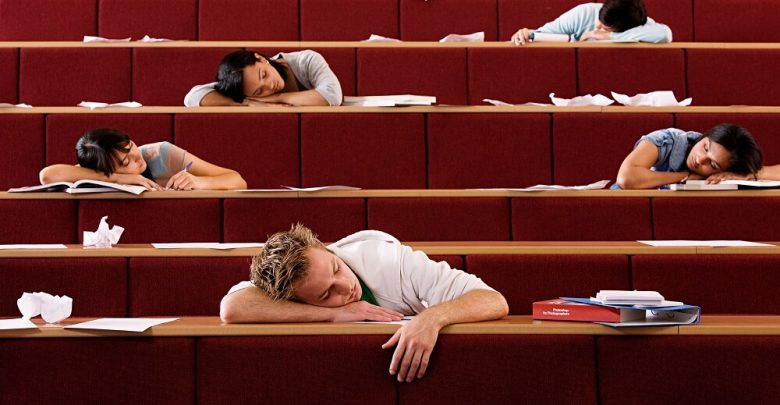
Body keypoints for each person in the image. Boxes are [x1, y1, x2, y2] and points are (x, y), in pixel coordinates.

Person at [220, 224, 509, 382]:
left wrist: (431, 318)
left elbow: (493, 300)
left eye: (336, 268)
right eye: (325, 295)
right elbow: (232, 308)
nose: (346, 287)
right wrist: (332, 315)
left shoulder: (389, 259)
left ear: (324, 248)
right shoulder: (286, 289)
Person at [39, 128, 247, 190]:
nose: (136, 158)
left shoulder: (160, 154)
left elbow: (237, 181)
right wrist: (119, 179)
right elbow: (47, 175)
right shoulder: (101, 171)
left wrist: (200, 181)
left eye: (130, 147)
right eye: (125, 163)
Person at [615, 124, 764, 189]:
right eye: (705, 148)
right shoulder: (668, 139)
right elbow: (627, 178)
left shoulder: (725, 173)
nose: (699, 160)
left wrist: (745, 176)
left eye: (712, 165)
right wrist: (685, 176)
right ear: (705, 135)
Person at [184, 49, 342, 107]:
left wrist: (276, 98)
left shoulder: (306, 61)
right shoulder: (243, 88)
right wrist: (247, 102)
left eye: (264, 74)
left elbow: (332, 96)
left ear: (260, 58)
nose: (270, 85)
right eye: (259, 91)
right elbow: (192, 97)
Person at [511, 0, 672, 45]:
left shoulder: (638, 22)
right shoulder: (584, 13)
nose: (597, 28)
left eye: (604, 28)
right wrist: (525, 33)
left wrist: (608, 37)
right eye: (599, 22)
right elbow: (542, 34)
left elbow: (665, 34)